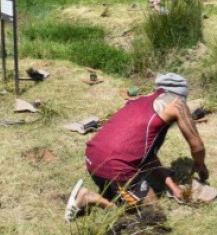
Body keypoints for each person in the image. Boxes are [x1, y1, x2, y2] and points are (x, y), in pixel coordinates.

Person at [64, 73, 209, 222]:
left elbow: (147, 158)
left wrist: (173, 187)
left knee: (135, 200)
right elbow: (197, 146)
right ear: (181, 95)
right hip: (114, 166)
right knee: (154, 217)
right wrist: (200, 164)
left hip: (92, 158)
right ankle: (91, 198)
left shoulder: (140, 101)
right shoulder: (177, 104)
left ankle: (112, 191)